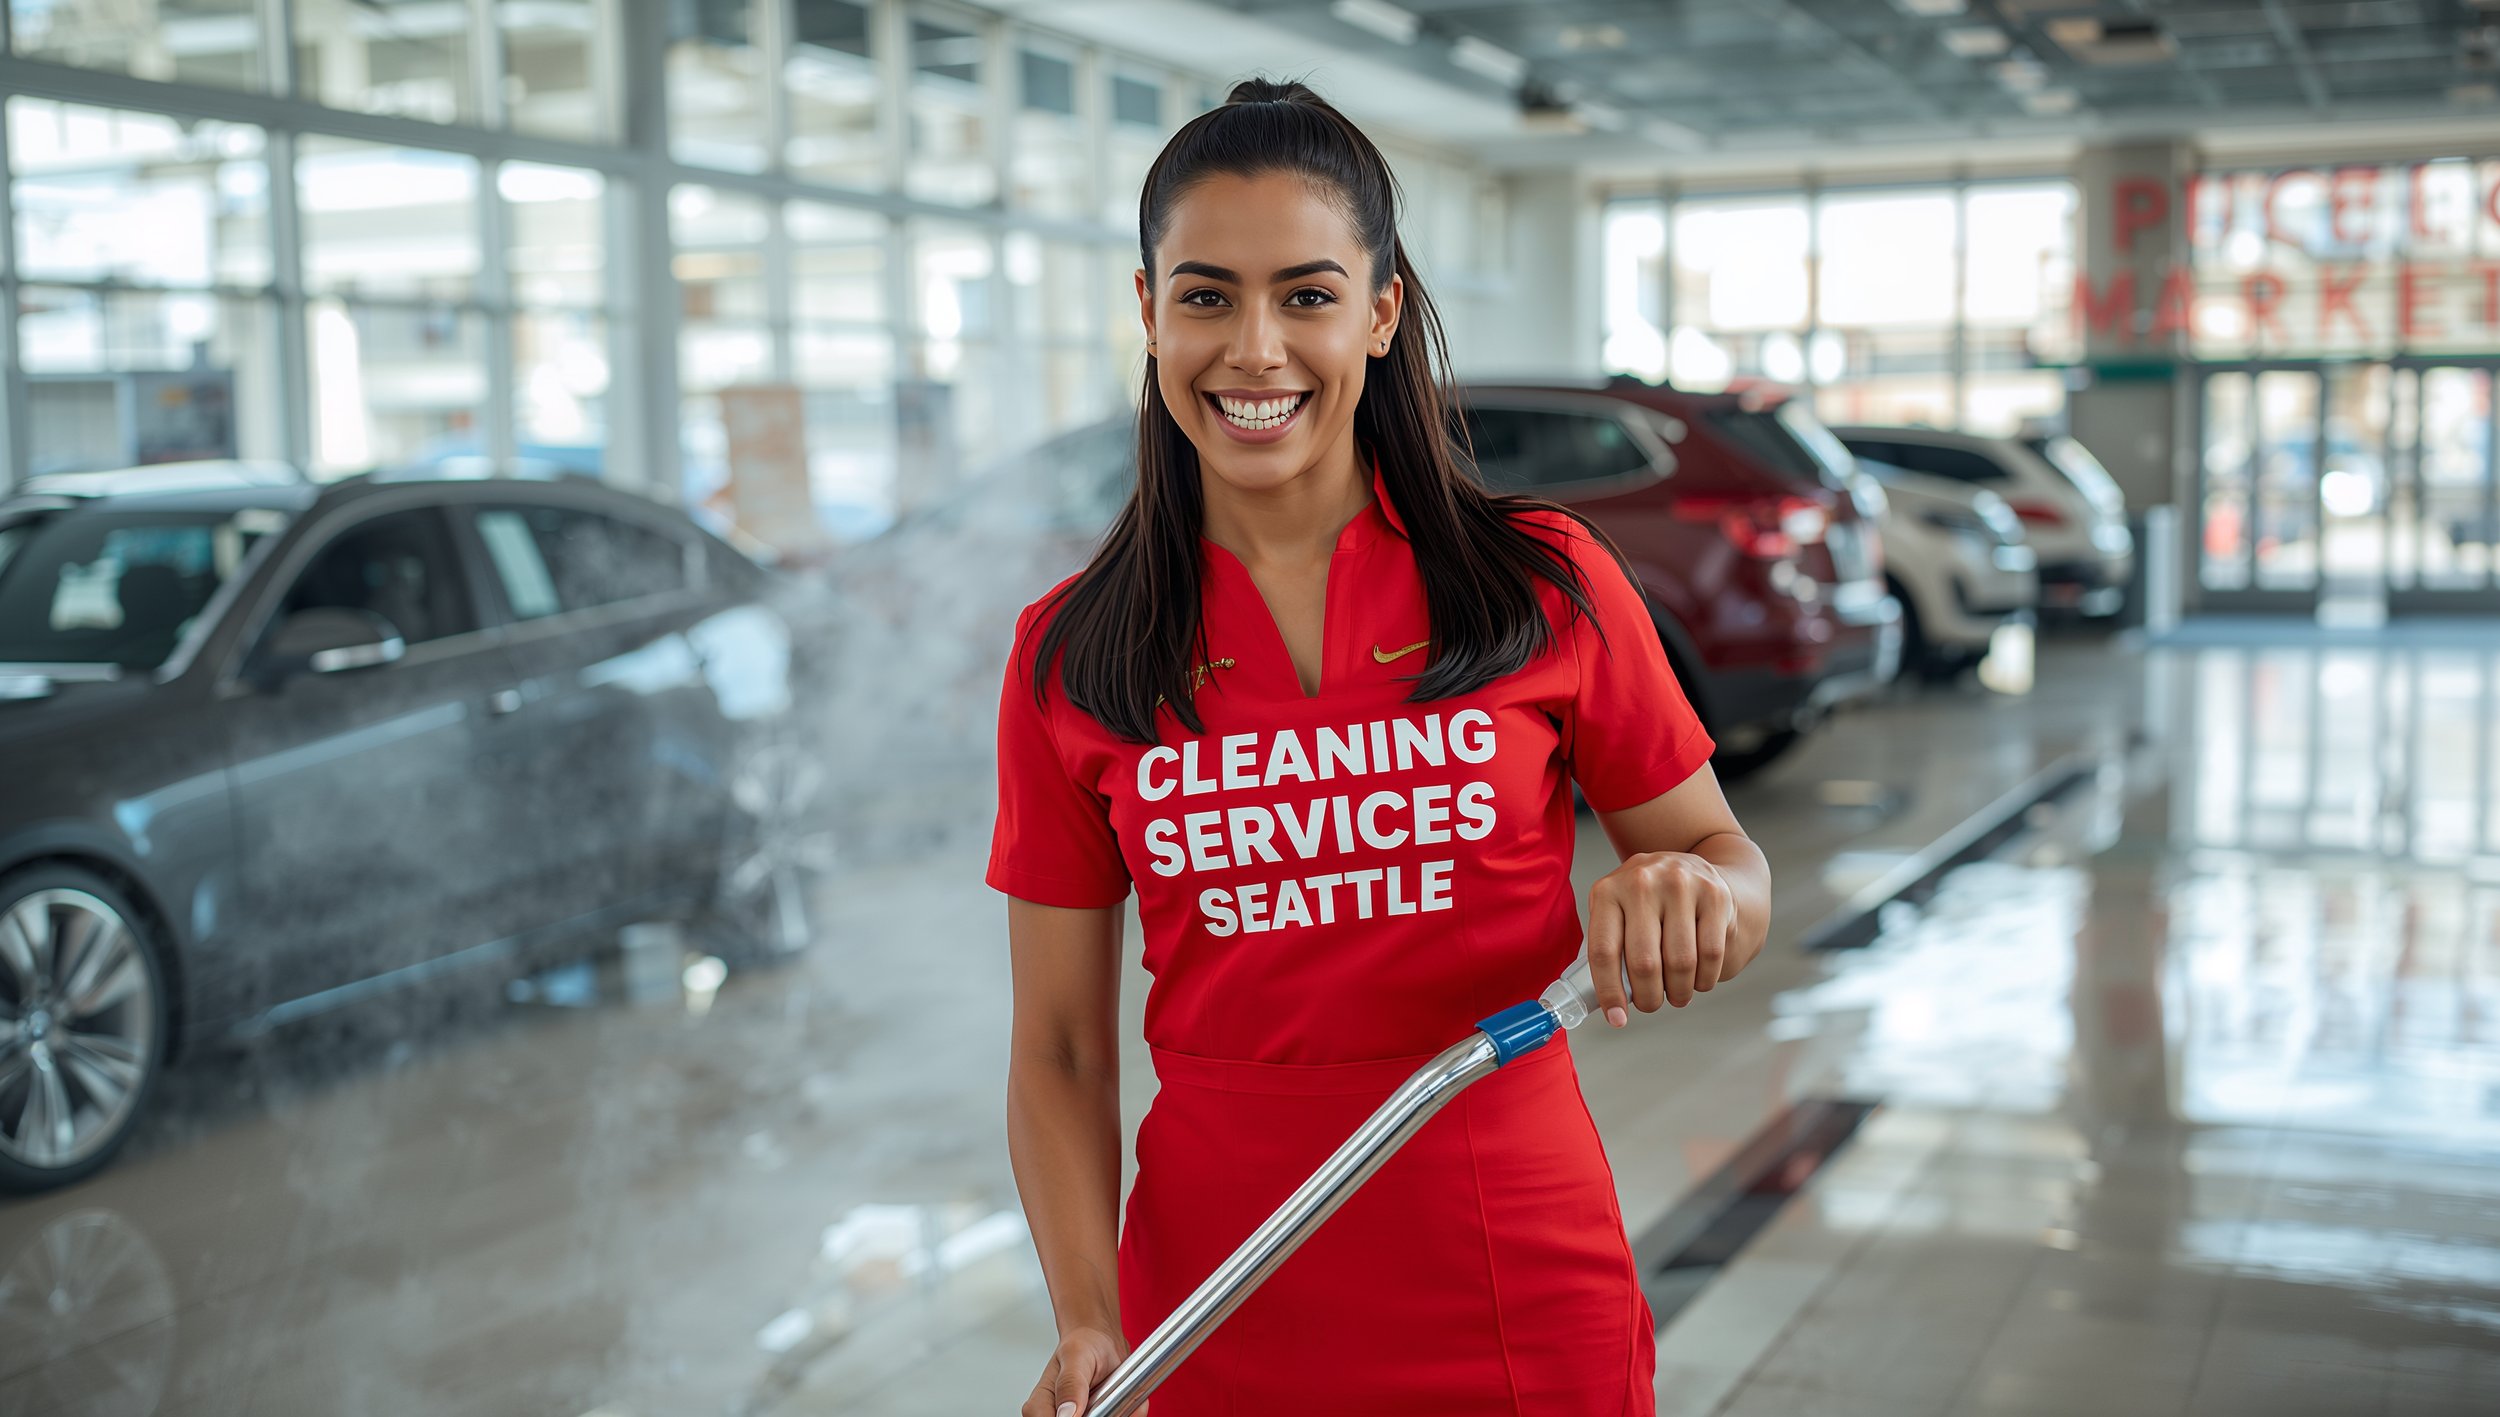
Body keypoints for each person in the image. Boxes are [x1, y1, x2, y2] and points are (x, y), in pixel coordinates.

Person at [990, 77, 1772, 1417]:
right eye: (1205, 295)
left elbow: (1726, 859)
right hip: (1215, 1284)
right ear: (1146, 311)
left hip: (1511, 1256)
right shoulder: (1075, 653)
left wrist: (1695, 895)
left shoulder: (1541, 585)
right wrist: (1085, 1317)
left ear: (1383, 308)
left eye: (1306, 294)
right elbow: (1060, 1046)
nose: (1255, 349)